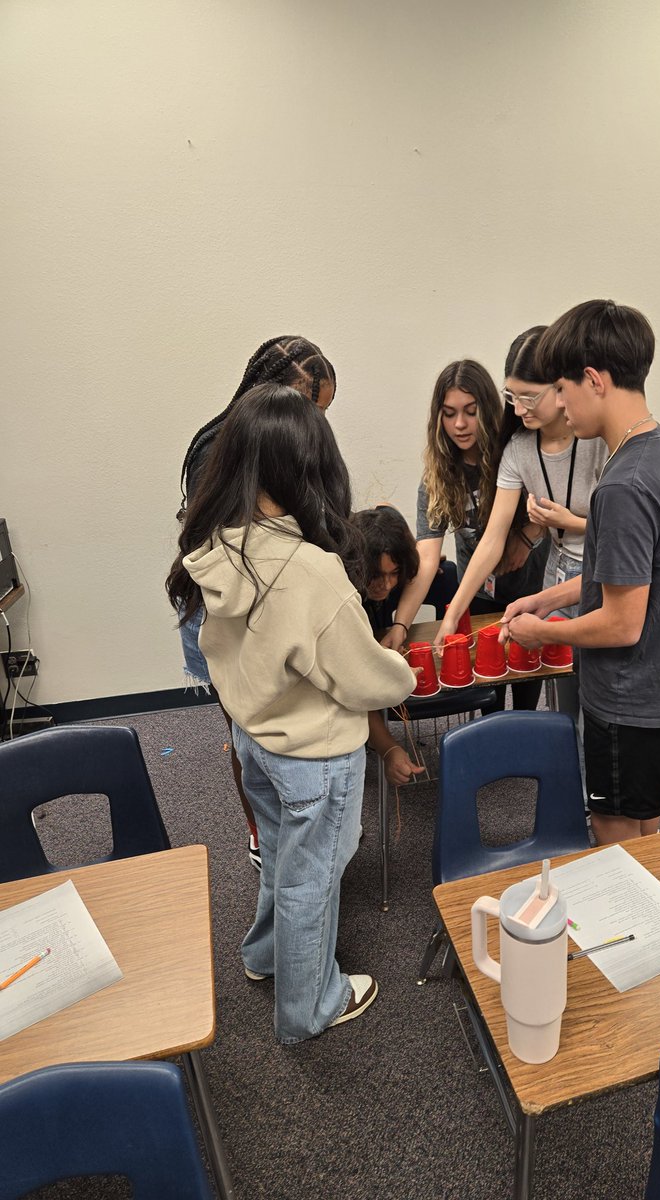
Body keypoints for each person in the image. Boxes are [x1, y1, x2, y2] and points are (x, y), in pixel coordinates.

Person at [167, 382, 416, 1041]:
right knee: (315, 879)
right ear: (308, 465)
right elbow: (363, 678)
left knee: (282, 860)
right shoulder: (309, 570)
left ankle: (267, 956)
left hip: (256, 743)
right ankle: (311, 1006)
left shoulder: (220, 546)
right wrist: (404, 670)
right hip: (314, 756)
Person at [499, 300, 660, 846]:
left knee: (618, 848)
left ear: (593, 380)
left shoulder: (622, 485)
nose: (561, 406)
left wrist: (545, 632)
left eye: (562, 389)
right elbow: (631, 579)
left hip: (628, 698)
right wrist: (546, 599)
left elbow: (621, 623)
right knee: (646, 831)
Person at [177, 336, 337, 870]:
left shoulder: (286, 444)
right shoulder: (218, 447)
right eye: (312, 407)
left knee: (280, 728)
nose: (316, 423)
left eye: (323, 413)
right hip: (227, 612)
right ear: (273, 392)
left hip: (270, 606)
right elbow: (229, 555)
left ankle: (290, 830)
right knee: (247, 733)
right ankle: (261, 835)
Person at [434, 327, 607, 719]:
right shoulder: (517, 449)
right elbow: (492, 541)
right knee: (561, 691)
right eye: (512, 397)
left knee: (599, 687)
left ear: (562, 388)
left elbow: (625, 528)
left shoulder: (597, 439)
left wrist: (572, 521)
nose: (518, 409)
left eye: (529, 397)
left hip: (603, 570)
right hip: (558, 573)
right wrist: (450, 617)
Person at [385, 359, 548, 712]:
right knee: (488, 689)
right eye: (449, 413)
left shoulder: (515, 453)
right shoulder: (438, 477)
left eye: (470, 412)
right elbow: (425, 559)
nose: (459, 424)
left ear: (488, 410)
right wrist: (401, 623)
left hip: (531, 589)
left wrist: (528, 537)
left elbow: (554, 498)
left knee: (526, 689)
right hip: (479, 593)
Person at [352, 504, 449, 785]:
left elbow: (413, 562)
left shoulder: (400, 570)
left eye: (394, 573)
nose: (385, 584)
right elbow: (356, 694)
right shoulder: (343, 598)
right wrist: (389, 748)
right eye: (376, 574)